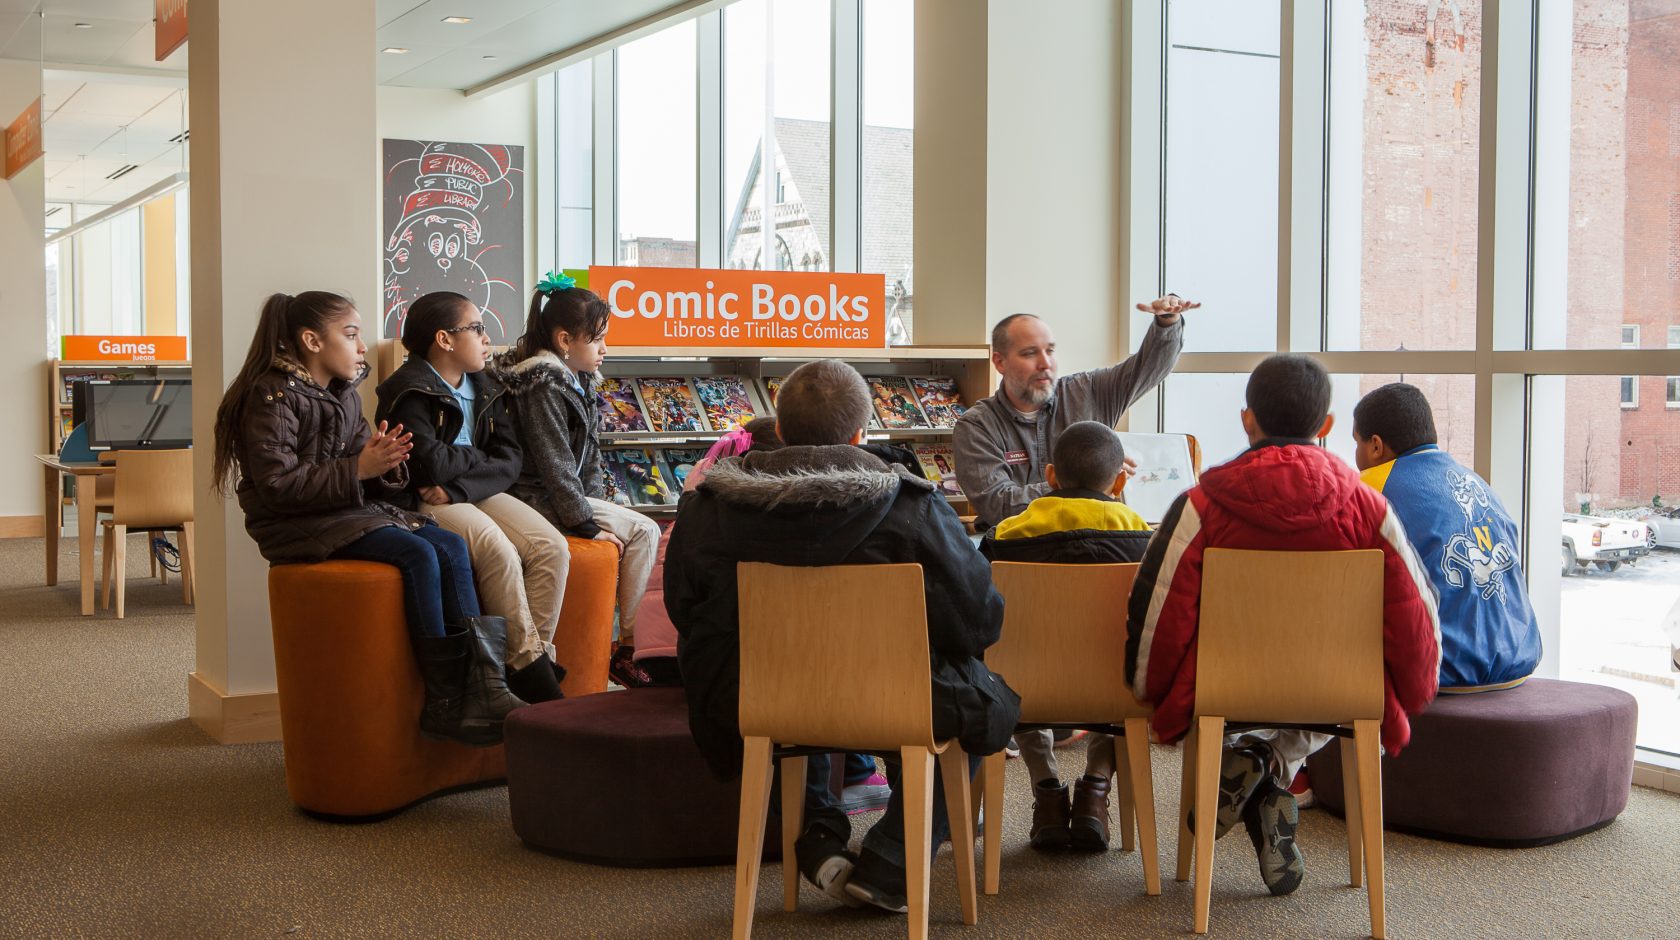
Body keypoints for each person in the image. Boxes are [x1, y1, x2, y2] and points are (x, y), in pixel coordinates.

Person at [666, 359, 1019, 914]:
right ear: (862, 435)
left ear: (778, 432)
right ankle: (893, 859)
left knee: (781, 685)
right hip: (896, 697)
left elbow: (684, 609)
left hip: (751, 697)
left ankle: (818, 838)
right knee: (985, 699)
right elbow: (980, 619)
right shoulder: (912, 506)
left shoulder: (708, 507)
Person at [1125, 354, 1440, 897]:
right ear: (1326, 428)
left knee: (1236, 691)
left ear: (1247, 420)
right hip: (1335, 689)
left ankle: (1250, 761)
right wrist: (1413, 690)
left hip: (1223, 686)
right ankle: (1271, 766)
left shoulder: (1198, 507)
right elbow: (1415, 616)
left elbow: (1160, 611)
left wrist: (1148, 688)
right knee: (1339, 680)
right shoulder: (1371, 509)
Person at [211, 291, 524, 746]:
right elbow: (277, 487)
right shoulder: (271, 396)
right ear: (312, 341)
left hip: (341, 513)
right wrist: (359, 469)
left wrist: (389, 465)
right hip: (292, 524)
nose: (362, 347)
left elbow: (372, 477)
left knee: (451, 546)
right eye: (352, 335)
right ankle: (446, 700)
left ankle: (486, 687)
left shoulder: (343, 396)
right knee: (418, 554)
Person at [374, 290, 566, 706]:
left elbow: (509, 459)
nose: (486, 338)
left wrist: (461, 482)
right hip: (427, 499)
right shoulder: (408, 390)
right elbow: (429, 465)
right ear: (444, 339)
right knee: (499, 552)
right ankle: (531, 674)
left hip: (465, 491)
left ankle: (527, 664)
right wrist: (475, 459)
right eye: (476, 328)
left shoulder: (487, 384)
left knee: (552, 547)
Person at [979, 420, 1152, 852]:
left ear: (1051, 476)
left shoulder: (1002, 539)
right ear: (1120, 480)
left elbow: (978, 620)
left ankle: (1047, 790)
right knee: (1125, 665)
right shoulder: (1145, 542)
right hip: (1114, 692)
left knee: (1008, 670)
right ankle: (1096, 787)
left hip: (1024, 692)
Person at [493, 274, 662, 688]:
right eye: (597, 339)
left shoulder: (576, 377)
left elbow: (589, 457)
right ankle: (628, 648)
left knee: (639, 528)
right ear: (565, 340)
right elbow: (554, 464)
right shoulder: (542, 383)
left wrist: (599, 506)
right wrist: (587, 524)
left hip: (562, 493)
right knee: (644, 529)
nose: (605, 349)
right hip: (534, 496)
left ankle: (627, 647)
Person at [1352, 382, 1541, 692]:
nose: (1356, 454)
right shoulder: (1477, 483)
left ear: (1375, 445)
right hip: (1519, 659)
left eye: (1356, 442)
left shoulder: (1372, 486)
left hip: (1444, 670)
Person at [953, 294, 1199, 527]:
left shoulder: (1088, 391)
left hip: (1098, 546)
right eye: (1029, 353)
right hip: (1019, 554)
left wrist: (1167, 322)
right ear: (1000, 362)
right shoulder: (976, 426)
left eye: (1049, 350)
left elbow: (1147, 369)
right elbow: (999, 505)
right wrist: (1089, 475)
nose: (1045, 363)